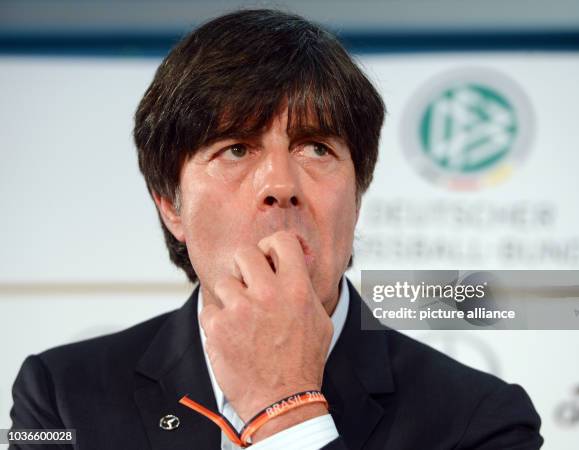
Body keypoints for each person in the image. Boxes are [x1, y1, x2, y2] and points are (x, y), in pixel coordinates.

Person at [9, 9, 543, 450]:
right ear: (171, 205)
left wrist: (287, 411)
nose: (280, 184)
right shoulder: (62, 396)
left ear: (356, 198)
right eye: (236, 149)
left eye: (316, 148)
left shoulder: (482, 421)